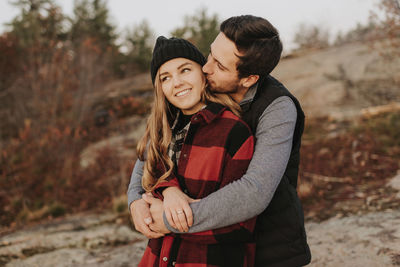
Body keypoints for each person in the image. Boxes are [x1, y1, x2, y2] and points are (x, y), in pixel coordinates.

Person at [128, 15, 312, 266]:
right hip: (197, 243)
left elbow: (254, 191)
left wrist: (173, 218)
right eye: (210, 54)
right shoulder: (203, 87)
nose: (206, 68)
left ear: (249, 79)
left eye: (220, 65)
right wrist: (137, 199)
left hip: (270, 243)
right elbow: (154, 148)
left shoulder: (277, 108)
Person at [136, 36, 257, 267]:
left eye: (185, 70)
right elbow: (151, 185)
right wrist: (169, 191)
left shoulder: (234, 132)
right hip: (160, 258)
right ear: (160, 88)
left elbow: (240, 223)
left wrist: (169, 221)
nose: (177, 82)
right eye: (166, 77)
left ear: (203, 74)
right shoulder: (164, 132)